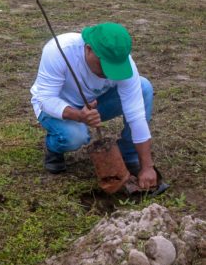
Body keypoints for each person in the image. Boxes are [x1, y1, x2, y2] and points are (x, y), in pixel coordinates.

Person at [30, 22, 157, 190]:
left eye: (114, 68)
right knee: (75, 137)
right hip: (56, 107)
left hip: (94, 105)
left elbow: (136, 116)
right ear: (89, 49)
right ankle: (54, 147)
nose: (109, 74)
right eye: (104, 66)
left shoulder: (123, 62)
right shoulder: (60, 50)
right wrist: (78, 116)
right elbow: (45, 98)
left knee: (143, 87)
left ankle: (129, 154)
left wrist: (147, 167)